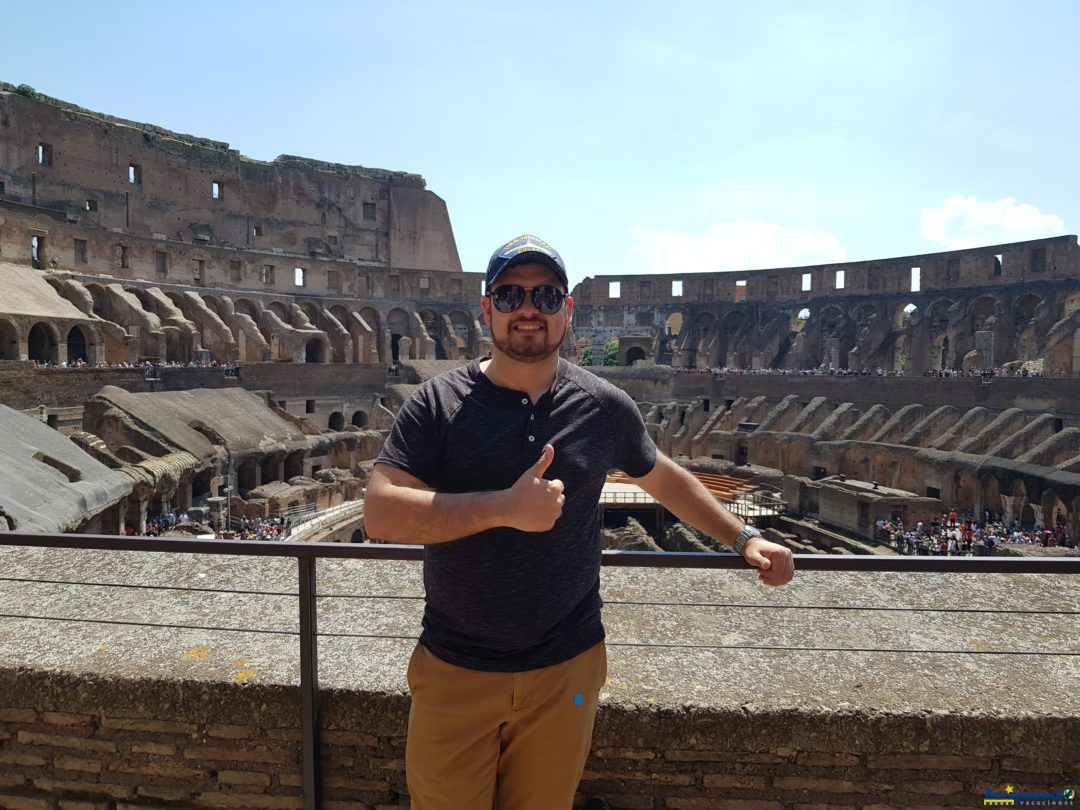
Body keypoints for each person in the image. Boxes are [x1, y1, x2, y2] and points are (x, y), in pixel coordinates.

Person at [364, 235, 795, 810]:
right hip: (455, 667)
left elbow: (664, 478)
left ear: (567, 312)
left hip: (566, 670)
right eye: (511, 294)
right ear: (487, 307)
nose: (528, 310)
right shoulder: (437, 403)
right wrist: (502, 507)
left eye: (545, 297)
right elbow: (381, 511)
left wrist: (744, 537)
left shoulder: (604, 404)